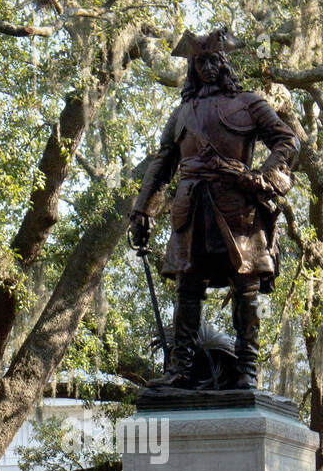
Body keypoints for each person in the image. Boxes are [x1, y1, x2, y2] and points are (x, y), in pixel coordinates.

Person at [129, 25, 301, 390]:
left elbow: (287, 141)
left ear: (224, 63)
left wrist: (260, 177)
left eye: (213, 60)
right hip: (190, 207)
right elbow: (162, 164)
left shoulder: (250, 103)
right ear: (192, 67)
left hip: (238, 206)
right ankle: (181, 368)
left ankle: (246, 370)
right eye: (200, 61)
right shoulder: (183, 112)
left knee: (245, 288)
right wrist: (142, 210)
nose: (207, 67)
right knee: (187, 289)